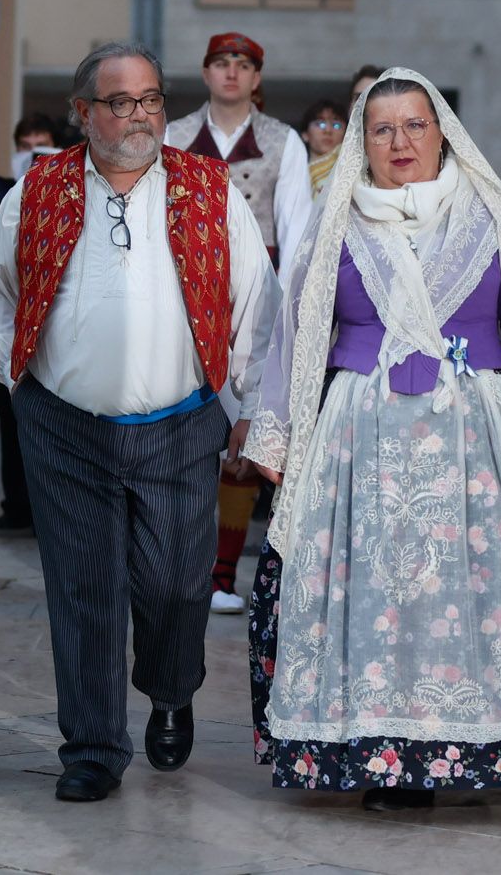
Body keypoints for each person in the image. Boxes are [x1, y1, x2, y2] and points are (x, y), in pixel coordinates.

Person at [241, 69, 501, 809]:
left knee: (475, 593)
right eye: (381, 128)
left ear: (443, 132)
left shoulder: (493, 215)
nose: (399, 142)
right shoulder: (336, 221)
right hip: (359, 440)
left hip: (476, 443)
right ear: (360, 142)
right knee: (378, 597)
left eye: (415, 125)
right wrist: (275, 437)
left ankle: (482, 746)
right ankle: (385, 757)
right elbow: (297, 335)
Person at [0, 42, 276, 803]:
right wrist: (23, 381)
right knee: (85, 590)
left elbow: (256, 305)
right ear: (84, 112)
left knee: (177, 587)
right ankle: (93, 747)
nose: (140, 114)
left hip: (180, 426)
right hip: (65, 427)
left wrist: (252, 410)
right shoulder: (36, 189)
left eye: (149, 99)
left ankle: (171, 688)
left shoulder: (209, 188)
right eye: (120, 101)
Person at [164, 32, 310, 614]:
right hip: (178, 296)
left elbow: (296, 230)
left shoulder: (283, 141)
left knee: (244, 424)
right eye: (221, 62)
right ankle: (175, 568)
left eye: (242, 64)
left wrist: (295, 308)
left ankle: (222, 576)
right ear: (205, 72)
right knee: (175, 421)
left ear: (256, 77)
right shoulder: (173, 136)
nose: (231, 73)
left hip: (256, 301)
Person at [0, 113, 66, 538]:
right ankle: (17, 504)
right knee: (10, 419)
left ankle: (50, 507)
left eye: (41, 141)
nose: (32, 150)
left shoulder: (68, 190)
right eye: (24, 142)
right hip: (5, 326)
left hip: (53, 330)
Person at [298, 99, 346, 200]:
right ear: (305, 134)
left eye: (336, 125)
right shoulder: (292, 175)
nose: (328, 130)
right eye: (320, 124)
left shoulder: (351, 174)